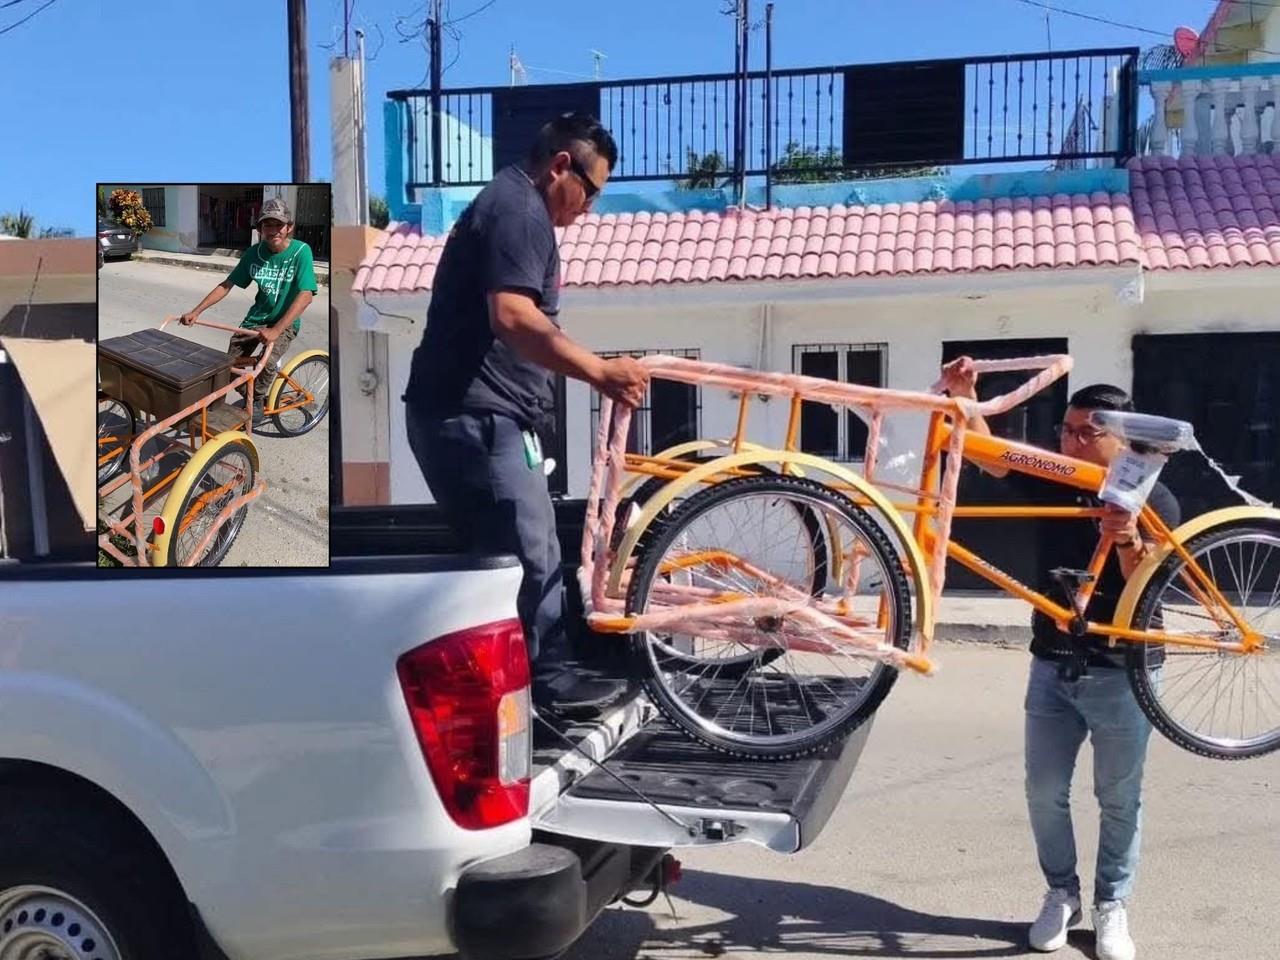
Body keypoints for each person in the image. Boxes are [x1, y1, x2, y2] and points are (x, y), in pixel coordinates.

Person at [402, 113, 649, 718]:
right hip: (475, 417)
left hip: (492, 416)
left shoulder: (519, 208)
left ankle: (530, 682)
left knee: (527, 546)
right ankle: (545, 687)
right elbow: (513, 316)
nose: (589, 208)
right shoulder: (518, 210)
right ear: (561, 165)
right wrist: (600, 371)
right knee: (526, 552)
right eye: (589, 191)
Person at [939, 357, 1181, 960]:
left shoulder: (1158, 497)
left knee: (1118, 796)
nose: (1069, 442)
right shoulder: (1056, 477)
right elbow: (991, 456)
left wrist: (1126, 535)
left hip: (1123, 671)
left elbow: (1143, 589)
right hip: (1052, 661)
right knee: (1043, 789)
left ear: (1123, 439)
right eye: (1064, 432)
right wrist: (968, 397)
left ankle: (1112, 907)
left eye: (1085, 433)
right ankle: (1060, 893)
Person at [179, 197, 318, 426]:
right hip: (257, 318)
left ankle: (258, 400)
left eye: (278, 225)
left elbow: (306, 295)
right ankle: (252, 390)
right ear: (260, 229)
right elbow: (227, 285)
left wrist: (276, 330)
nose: (273, 231)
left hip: (284, 322)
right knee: (227, 365)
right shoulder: (254, 253)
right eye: (267, 225)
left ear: (289, 227)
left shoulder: (301, 252)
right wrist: (196, 311)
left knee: (268, 361)